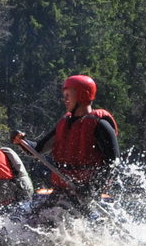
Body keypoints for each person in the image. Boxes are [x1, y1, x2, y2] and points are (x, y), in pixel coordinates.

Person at [11, 74, 118, 205]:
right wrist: (22, 141)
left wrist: (92, 189)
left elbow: (113, 163)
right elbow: (38, 149)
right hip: (62, 190)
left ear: (82, 95)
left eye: (68, 95)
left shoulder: (100, 125)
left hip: (85, 194)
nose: (65, 99)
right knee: (33, 221)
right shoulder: (65, 124)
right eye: (64, 95)